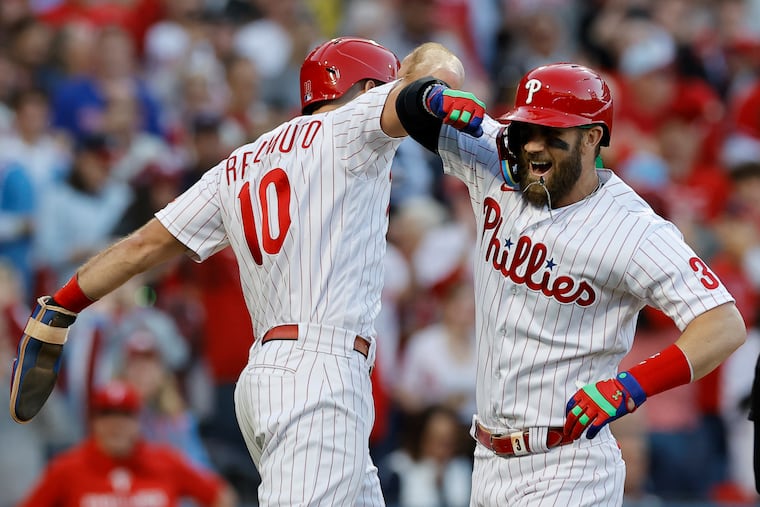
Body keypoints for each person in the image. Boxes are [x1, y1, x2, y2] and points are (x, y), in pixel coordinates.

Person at [10, 37, 482, 506]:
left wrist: (61, 307)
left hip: (268, 374)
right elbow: (442, 72)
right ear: (364, 87)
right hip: (319, 374)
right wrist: (426, 78)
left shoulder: (239, 163)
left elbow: (141, 246)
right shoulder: (352, 125)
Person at [393, 62, 747, 505]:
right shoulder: (498, 159)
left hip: (567, 466)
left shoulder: (633, 229)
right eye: (526, 130)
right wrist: (434, 97)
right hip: (486, 459)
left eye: (551, 132)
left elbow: (723, 323)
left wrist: (632, 386)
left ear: (593, 137)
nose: (534, 145)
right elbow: (406, 108)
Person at [18, 380, 236, 507]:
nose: (116, 425)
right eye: (108, 415)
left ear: (138, 422)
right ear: (94, 422)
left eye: (124, 416)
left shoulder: (166, 461)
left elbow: (221, 496)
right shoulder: (67, 468)